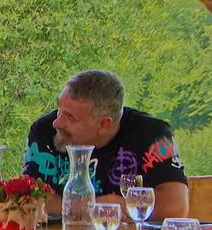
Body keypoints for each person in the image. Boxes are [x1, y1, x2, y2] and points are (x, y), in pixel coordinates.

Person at [22, 70, 188, 220]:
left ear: (104, 124)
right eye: (59, 109)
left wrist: (66, 205)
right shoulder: (43, 132)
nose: (57, 122)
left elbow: (175, 207)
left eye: (70, 117)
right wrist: (98, 205)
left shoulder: (152, 135)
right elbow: (27, 199)